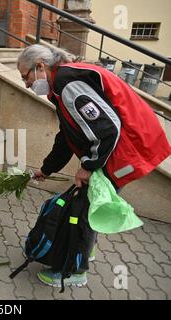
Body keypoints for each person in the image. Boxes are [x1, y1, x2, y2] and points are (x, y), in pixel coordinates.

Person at [17, 44, 171, 287]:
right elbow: (66, 136)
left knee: (84, 210)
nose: (25, 83)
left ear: (40, 66)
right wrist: (46, 169)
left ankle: (75, 271)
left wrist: (88, 166)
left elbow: (108, 129)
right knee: (89, 205)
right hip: (122, 147)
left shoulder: (68, 85)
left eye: (25, 76)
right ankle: (84, 251)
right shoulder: (61, 85)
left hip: (128, 148)